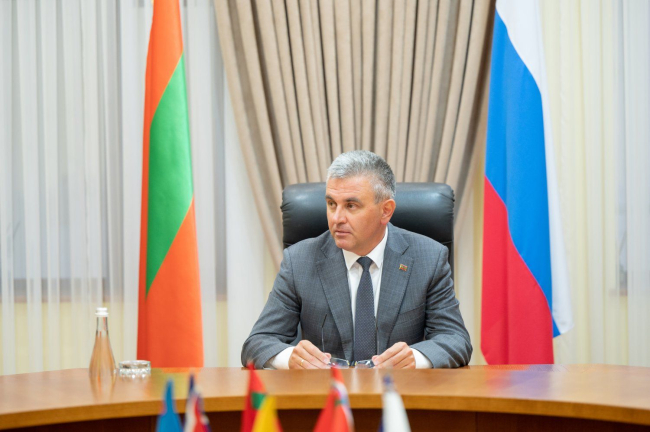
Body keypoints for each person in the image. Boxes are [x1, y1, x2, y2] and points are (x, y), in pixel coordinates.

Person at [242, 150, 472, 369]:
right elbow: (258, 343)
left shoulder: (428, 258)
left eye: (351, 206)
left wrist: (415, 358)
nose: (337, 218)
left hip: (398, 391)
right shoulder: (300, 261)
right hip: (328, 393)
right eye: (331, 204)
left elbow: (455, 339)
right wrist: (291, 357)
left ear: (386, 211)